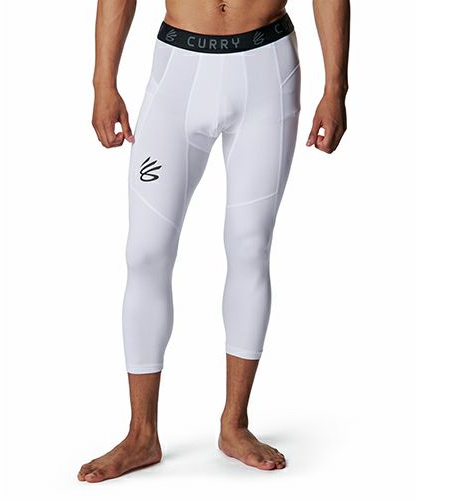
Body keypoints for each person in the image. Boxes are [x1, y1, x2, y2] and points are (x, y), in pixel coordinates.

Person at [79, 0, 349, 482]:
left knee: (249, 245)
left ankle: (235, 424)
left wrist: (336, 87)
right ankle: (141, 434)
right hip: (178, 70)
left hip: (267, 68)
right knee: (146, 251)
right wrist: (103, 82)